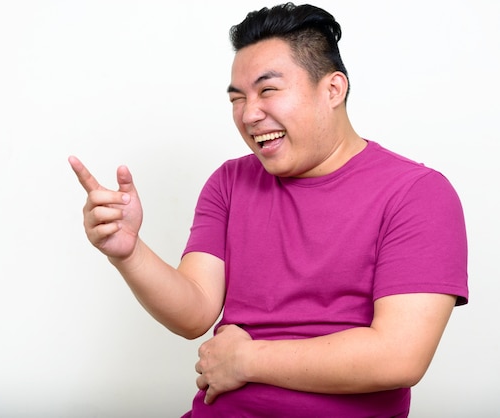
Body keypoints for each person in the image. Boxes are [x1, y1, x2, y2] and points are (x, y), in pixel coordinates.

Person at [68, 3, 468, 417]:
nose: (249, 114)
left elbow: (399, 356)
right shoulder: (229, 182)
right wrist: (129, 253)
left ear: (333, 89)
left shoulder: (417, 193)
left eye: (268, 90)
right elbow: (195, 312)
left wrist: (246, 360)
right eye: (237, 98)